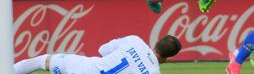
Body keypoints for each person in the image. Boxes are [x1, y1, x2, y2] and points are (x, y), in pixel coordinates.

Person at [14, 34, 181, 74]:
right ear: (167, 58)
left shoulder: (135, 41)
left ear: (156, 43)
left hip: (81, 68)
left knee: (42, 61)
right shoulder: (153, 72)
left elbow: (103, 50)